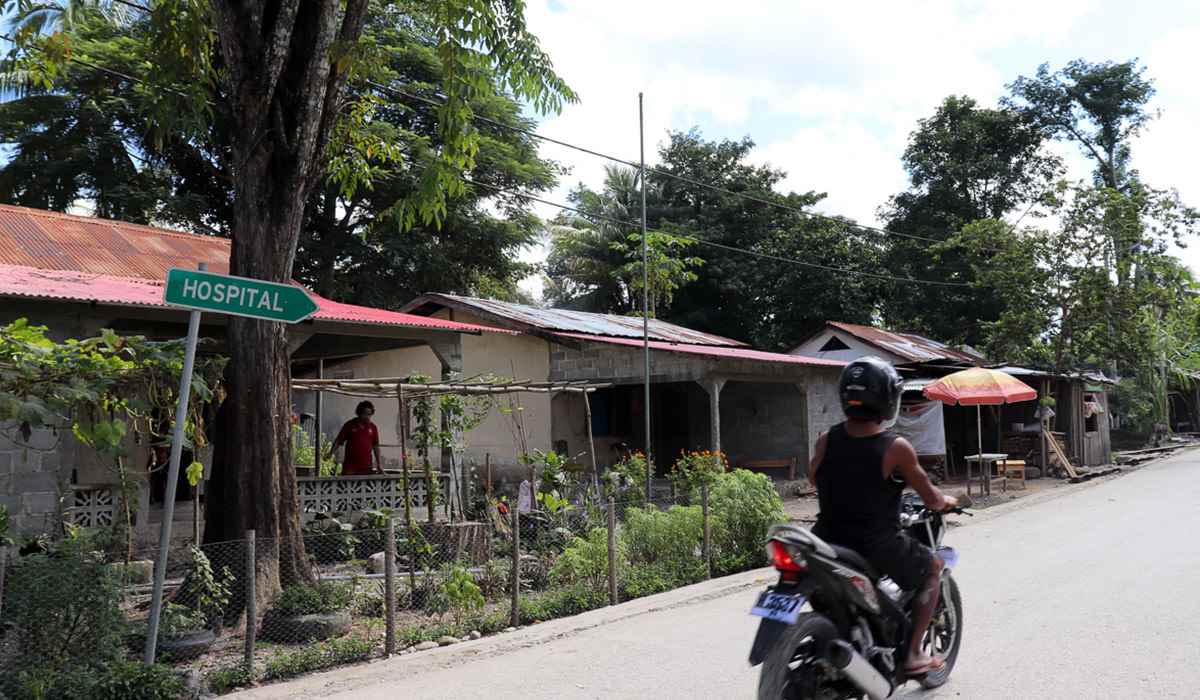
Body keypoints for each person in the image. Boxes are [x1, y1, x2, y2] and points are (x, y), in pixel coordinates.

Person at [807, 356, 958, 676]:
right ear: (888, 399)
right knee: (932, 567)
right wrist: (946, 500)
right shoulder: (896, 447)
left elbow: (813, 478)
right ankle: (914, 654)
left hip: (825, 541)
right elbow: (930, 497)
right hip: (875, 545)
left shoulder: (826, 439)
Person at [326, 401, 383, 475]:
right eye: (365, 414)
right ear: (359, 413)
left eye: (369, 414)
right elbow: (338, 441)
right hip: (350, 467)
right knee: (348, 485)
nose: (367, 417)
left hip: (366, 467)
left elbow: (376, 446)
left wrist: (379, 464)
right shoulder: (349, 425)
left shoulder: (373, 427)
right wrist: (331, 453)